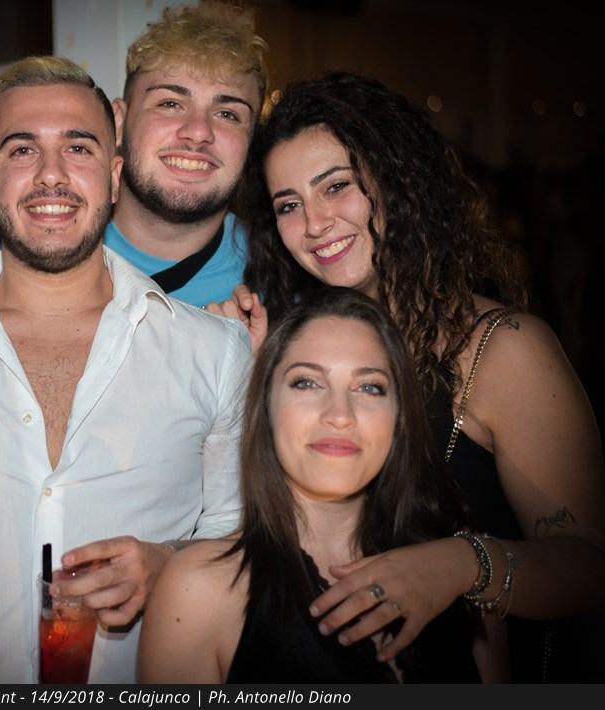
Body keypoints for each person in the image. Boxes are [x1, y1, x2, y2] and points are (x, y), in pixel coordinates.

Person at [0, 56, 251, 684]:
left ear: (114, 176)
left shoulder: (217, 351)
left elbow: (241, 538)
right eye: (21, 150)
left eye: (78, 147)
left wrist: (171, 562)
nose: (51, 175)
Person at [229, 71, 605, 680]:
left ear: (398, 180)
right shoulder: (299, 351)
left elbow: (589, 566)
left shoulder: (502, 350)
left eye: (337, 186)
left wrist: (459, 564)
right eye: (289, 205)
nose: (315, 223)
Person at [0, 0, 268, 323]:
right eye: (170, 103)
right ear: (119, 121)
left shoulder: (275, 275)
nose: (198, 131)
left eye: (228, 113)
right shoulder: (12, 234)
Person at [140, 287, 484, 682]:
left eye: (369, 387)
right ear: (264, 407)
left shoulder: (452, 567)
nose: (340, 414)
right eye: (307, 383)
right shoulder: (199, 591)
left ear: (399, 419)